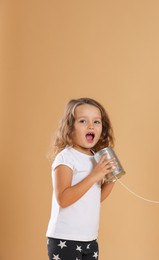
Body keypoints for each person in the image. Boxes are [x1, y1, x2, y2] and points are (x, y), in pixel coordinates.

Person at [46, 98, 117, 260]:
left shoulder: (95, 158)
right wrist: (95, 175)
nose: (91, 126)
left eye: (96, 122)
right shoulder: (66, 157)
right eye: (83, 121)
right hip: (66, 239)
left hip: (89, 239)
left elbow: (95, 198)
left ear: (102, 128)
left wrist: (111, 179)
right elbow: (63, 199)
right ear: (69, 127)